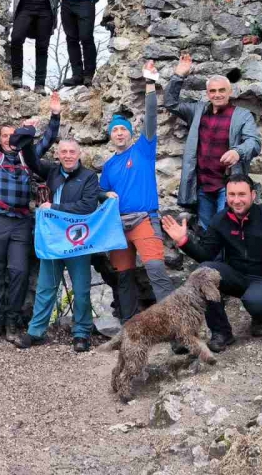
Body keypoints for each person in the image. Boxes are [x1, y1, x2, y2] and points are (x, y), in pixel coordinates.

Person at [161, 174, 262, 351]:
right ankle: (221, 333)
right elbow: (206, 255)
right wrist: (184, 242)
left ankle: (261, 318)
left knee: (254, 301)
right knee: (202, 274)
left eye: (242, 194)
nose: (236, 200)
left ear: (253, 195)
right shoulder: (220, 220)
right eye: (231, 195)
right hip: (237, 277)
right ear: (226, 196)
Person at [0, 75, 61, 346]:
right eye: (3, 135)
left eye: (11, 135)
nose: (7, 139)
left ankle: (13, 322)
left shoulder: (27, 158)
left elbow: (47, 141)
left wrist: (55, 115)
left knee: (19, 272)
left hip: (21, 222)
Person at [102, 60, 174, 324]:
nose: (119, 133)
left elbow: (151, 118)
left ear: (130, 134)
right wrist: (103, 196)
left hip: (144, 219)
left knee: (156, 270)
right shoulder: (109, 166)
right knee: (123, 277)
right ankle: (130, 327)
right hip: (118, 226)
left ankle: (175, 326)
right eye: (115, 130)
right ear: (111, 136)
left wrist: (150, 85)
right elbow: (102, 195)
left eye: (123, 129)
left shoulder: (143, 150)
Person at [16, 138, 101, 353]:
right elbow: (32, 161)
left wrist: (54, 207)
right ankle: (35, 332)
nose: (68, 155)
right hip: (53, 240)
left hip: (77, 242)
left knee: (81, 290)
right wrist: (27, 138)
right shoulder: (52, 171)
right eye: (64, 151)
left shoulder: (89, 176)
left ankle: (81, 334)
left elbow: (87, 206)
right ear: (58, 154)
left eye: (72, 151)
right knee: (46, 287)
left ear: (79, 154)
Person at [164, 54, 262, 231]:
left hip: (228, 185)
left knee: (227, 229)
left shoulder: (242, 115)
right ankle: (211, 260)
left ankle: (226, 260)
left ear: (229, 92)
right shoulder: (197, 110)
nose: (217, 95)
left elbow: (254, 143)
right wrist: (179, 75)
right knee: (207, 232)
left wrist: (237, 152)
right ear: (208, 93)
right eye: (213, 91)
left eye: (222, 90)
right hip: (203, 185)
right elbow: (170, 103)